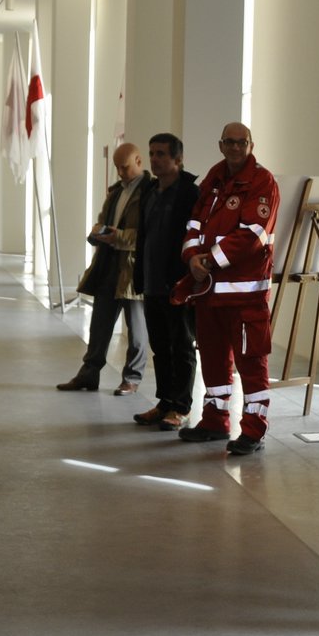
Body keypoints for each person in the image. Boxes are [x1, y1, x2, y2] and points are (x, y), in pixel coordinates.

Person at [176, 122, 279, 456]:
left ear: (251, 144)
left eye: (241, 142)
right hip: (208, 292)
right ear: (221, 145)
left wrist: (209, 260)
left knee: (252, 365)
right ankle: (214, 420)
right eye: (229, 142)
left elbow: (253, 235)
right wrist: (192, 257)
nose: (235, 148)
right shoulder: (214, 179)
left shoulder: (262, 181)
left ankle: (253, 430)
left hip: (245, 296)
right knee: (214, 361)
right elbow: (193, 223)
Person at [59, 141, 153, 394]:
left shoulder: (151, 192)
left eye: (125, 167)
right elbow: (104, 220)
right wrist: (98, 232)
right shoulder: (116, 192)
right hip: (109, 266)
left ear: (139, 161)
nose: (121, 173)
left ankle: (132, 378)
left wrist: (119, 237)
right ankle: (89, 374)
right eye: (117, 168)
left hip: (134, 271)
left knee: (136, 328)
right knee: (99, 325)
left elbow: (150, 235)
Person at [131, 133, 201, 431]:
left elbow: (196, 239)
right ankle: (165, 402)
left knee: (181, 346)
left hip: (179, 284)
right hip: (152, 283)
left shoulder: (190, 193)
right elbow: (144, 236)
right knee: (160, 346)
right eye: (152, 154)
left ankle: (181, 407)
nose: (155, 159)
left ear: (178, 159)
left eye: (161, 154)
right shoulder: (150, 191)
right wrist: (140, 277)